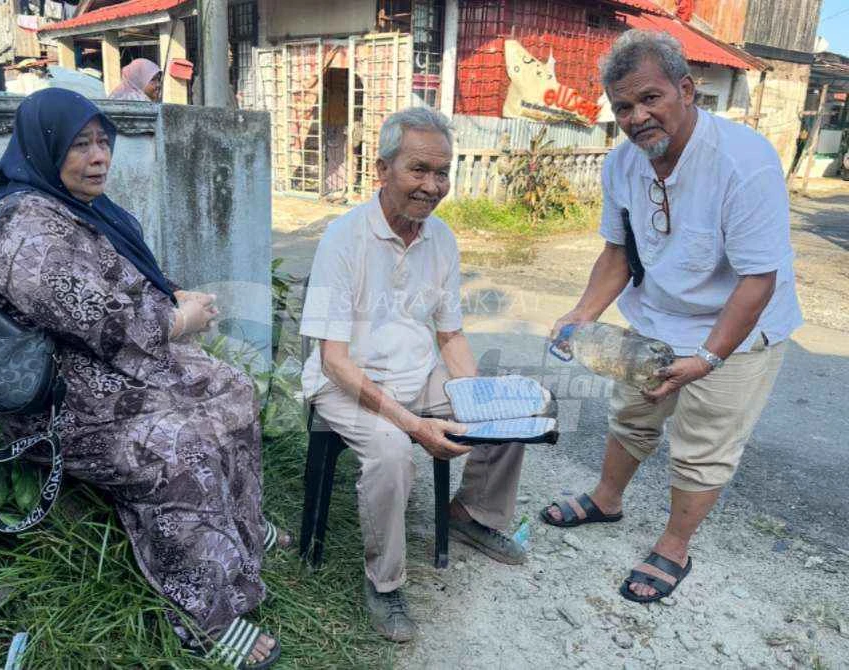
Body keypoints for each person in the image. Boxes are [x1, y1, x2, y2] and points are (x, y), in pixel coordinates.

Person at [0, 88, 287, 668]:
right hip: (57, 401)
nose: (99, 157)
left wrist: (174, 297)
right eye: (80, 145)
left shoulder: (77, 208)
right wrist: (178, 320)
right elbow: (102, 320)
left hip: (104, 371)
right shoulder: (27, 231)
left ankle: (239, 525)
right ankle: (206, 616)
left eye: (103, 142)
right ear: (44, 148)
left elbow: (128, 281)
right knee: (178, 445)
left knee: (233, 388)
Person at [540, 30, 801, 603]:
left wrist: (707, 358)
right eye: (623, 106)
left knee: (702, 443)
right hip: (658, 318)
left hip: (739, 327)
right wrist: (581, 313)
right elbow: (618, 252)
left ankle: (675, 545)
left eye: (650, 98)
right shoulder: (622, 165)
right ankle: (606, 500)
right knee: (631, 414)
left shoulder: (744, 162)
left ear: (686, 90)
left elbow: (758, 280)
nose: (637, 117)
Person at [300, 106, 529, 643]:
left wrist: (478, 401)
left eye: (442, 172)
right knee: (392, 452)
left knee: (509, 413)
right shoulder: (343, 239)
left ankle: (471, 514)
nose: (432, 186)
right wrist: (413, 425)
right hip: (345, 383)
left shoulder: (441, 238)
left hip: (416, 373)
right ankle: (384, 583)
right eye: (418, 169)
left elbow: (450, 335)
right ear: (383, 169)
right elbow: (334, 359)